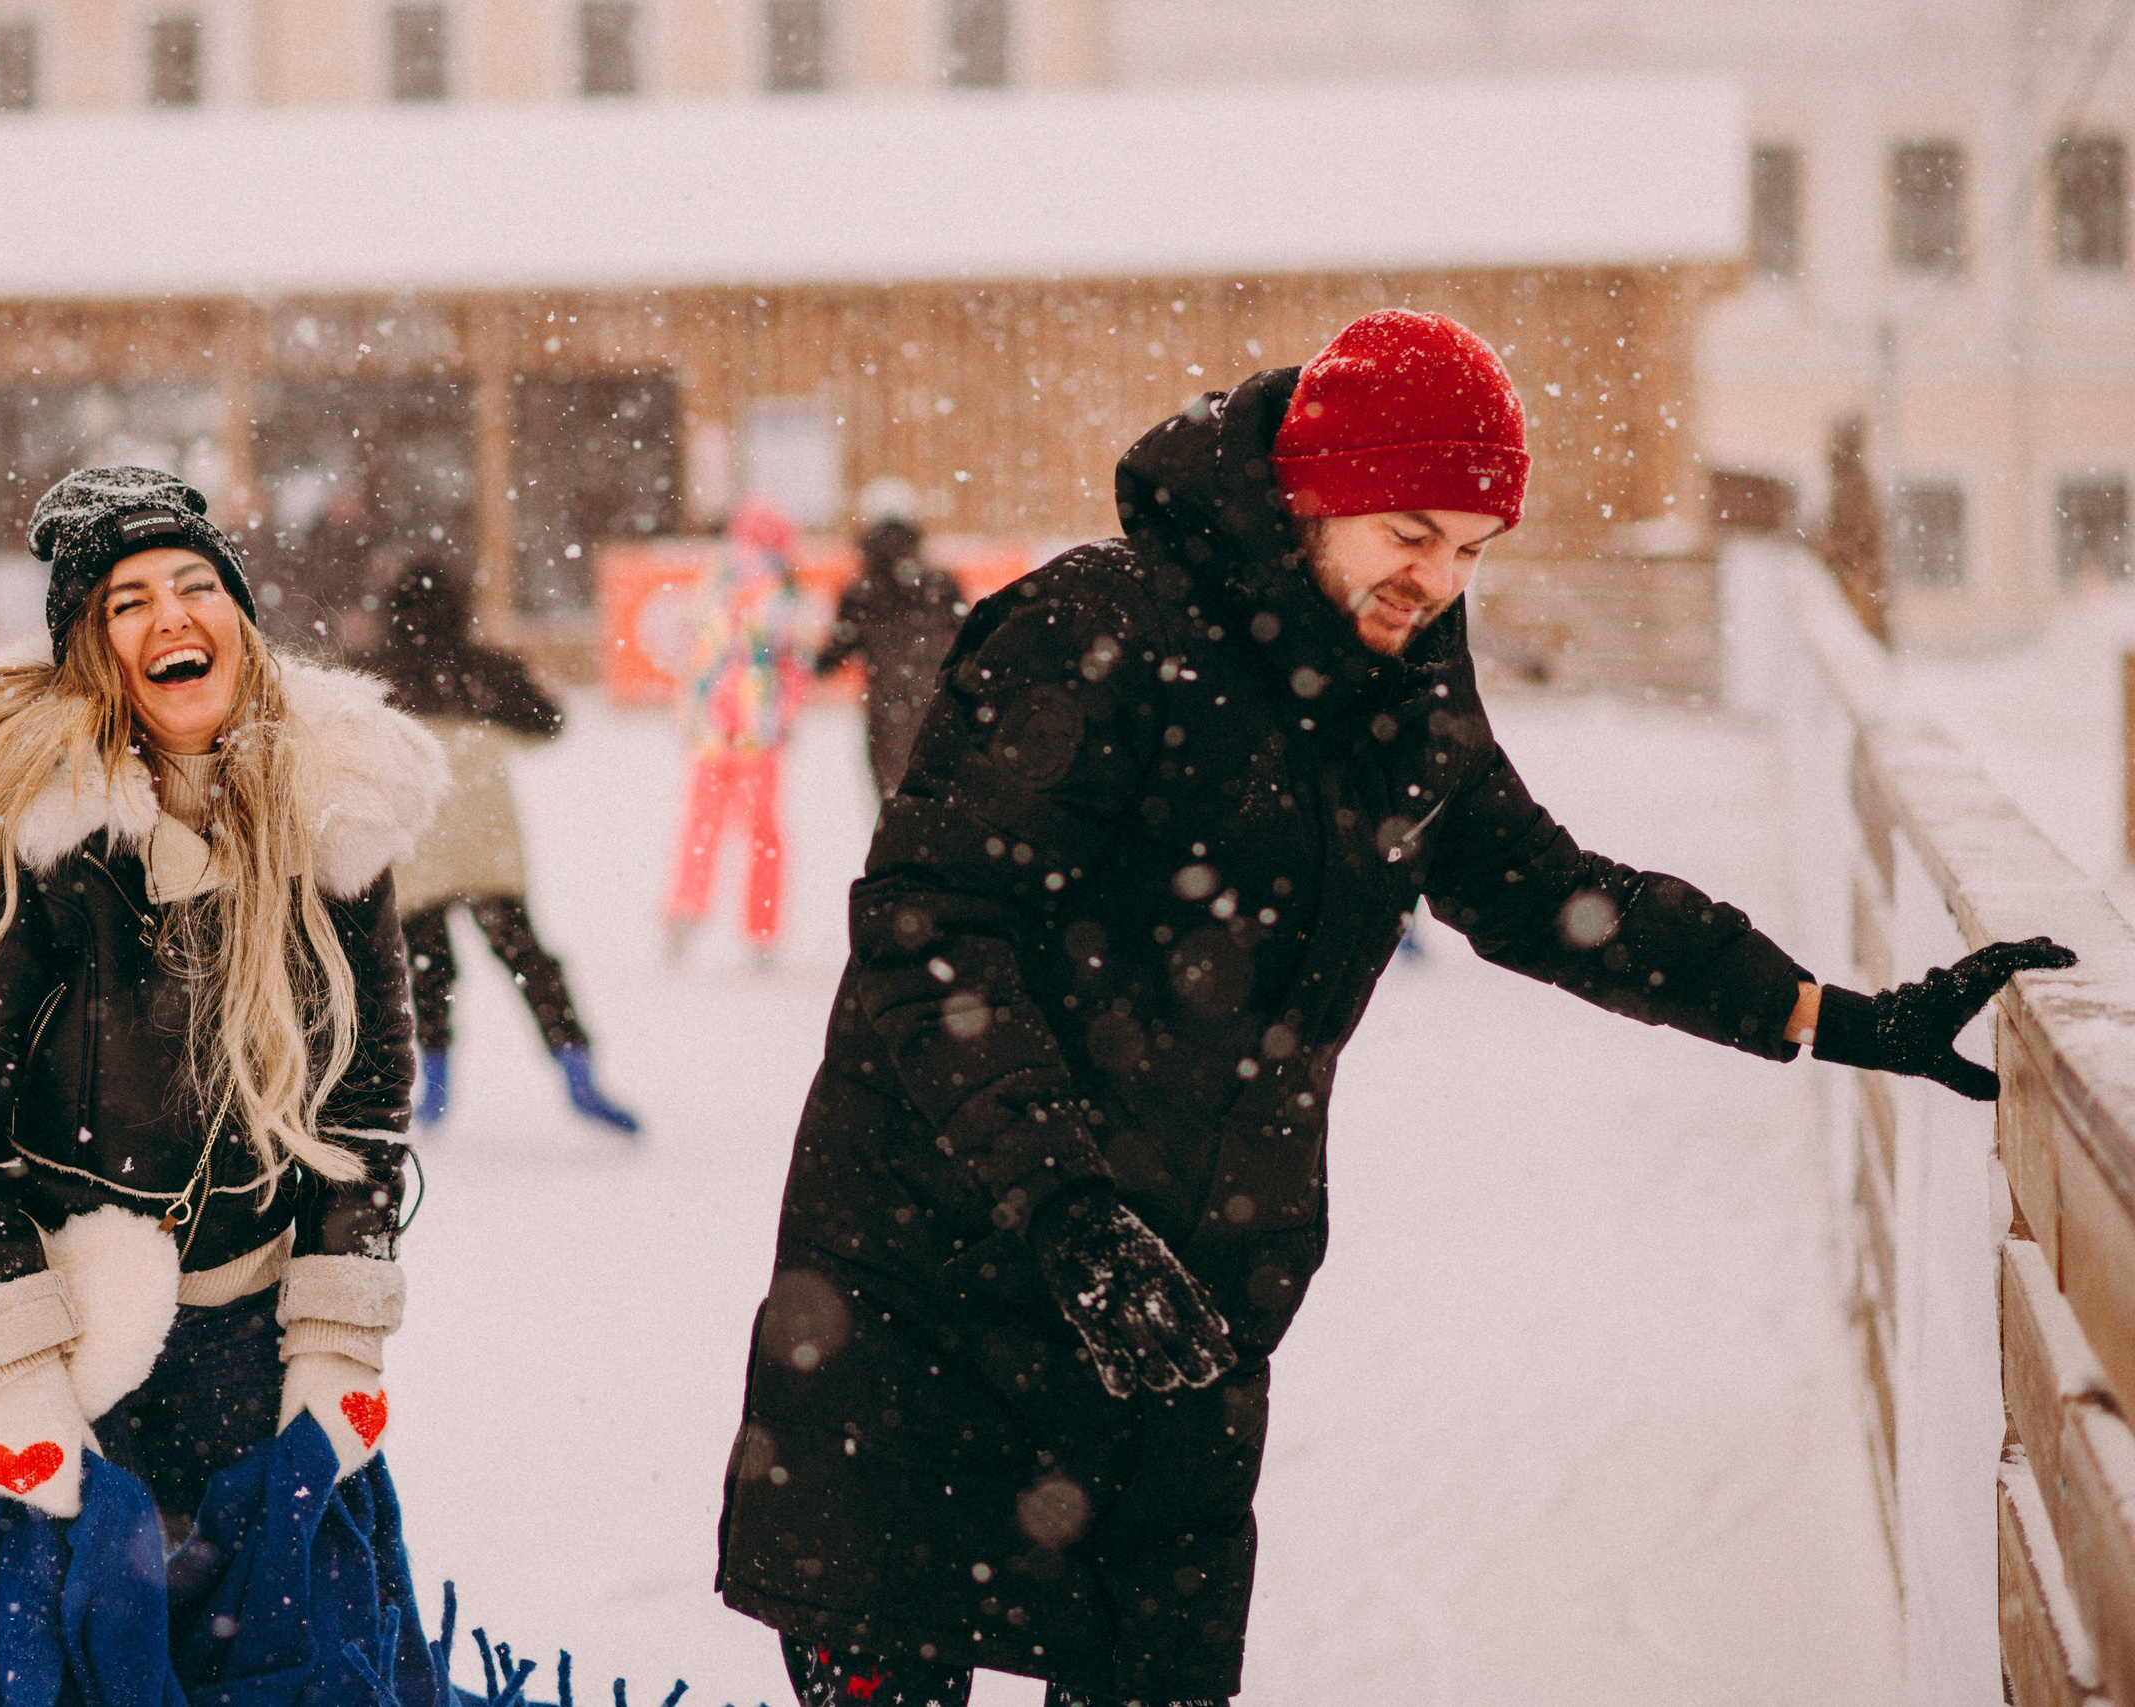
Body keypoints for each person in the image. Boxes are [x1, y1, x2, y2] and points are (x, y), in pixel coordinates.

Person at [711, 309, 2077, 1707]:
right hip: (930, 1288)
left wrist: (1841, 1016)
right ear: (1310, 490)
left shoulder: (1402, 692)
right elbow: (928, 928)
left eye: (1474, 548)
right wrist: (1064, 1208)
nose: (1435, 579)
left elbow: (1549, 892)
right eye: (1410, 530)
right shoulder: (1095, 631)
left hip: (1177, 1310)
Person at [0, 466, 446, 1538]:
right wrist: (22, 1373)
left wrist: (339, 1335)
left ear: (240, 619)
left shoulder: (330, 808)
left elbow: (366, 1096)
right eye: (128, 602)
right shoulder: (26, 826)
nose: (172, 615)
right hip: (59, 1336)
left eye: (196, 584)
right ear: (89, 652)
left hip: (253, 1353)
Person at [367, 555, 641, 1134]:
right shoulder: (488, 668)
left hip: (418, 842)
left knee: (426, 965)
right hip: (486, 840)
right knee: (528, 959)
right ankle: (577, 1070)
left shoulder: (376, 674)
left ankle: (434, 1083)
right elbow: (549, 724)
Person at [664, 499, 818, 963]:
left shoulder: (715, 581)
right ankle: (761, 929)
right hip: (759, 725)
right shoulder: (784, 589)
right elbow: (798, 659)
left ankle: (685, 909)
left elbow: (694, 647)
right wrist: (785, 704)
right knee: (763, 832)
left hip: (714, 724)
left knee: (702, 823)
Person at [817, 477, 969, 802]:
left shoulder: (861, 593)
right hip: (936, 714)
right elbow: (973, 643)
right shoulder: (941, 585)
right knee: (937, 812)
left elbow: (830, 660)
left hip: (885, 716)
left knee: (893, 808)